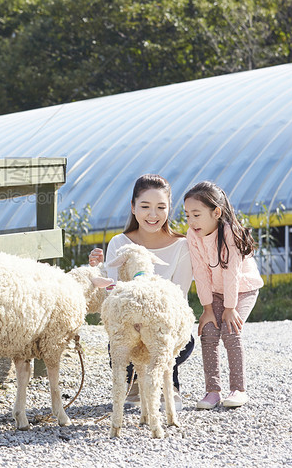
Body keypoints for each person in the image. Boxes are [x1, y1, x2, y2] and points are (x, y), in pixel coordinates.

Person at [89, 174, 194, 409]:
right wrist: (95, 269)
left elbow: (180, 297)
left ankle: (169, 384)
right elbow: (113, 294)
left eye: (160, 207)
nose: (153, 215)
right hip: (131, 324)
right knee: (123, 335)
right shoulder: (120, 243)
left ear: (169, 209)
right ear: (133, 207)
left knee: (178, 334)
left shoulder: (182, 245)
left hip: (163, 326)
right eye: (145, 206)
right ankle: (134, 382)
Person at [184, 180, 264, 410]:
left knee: (230, 330)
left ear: (216, 212)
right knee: (208, 331)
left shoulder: (230, 232)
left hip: (243, 288)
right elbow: (199, 272)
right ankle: (213, 391)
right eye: (187, 215)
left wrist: (229, 309)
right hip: (217, 292)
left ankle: (238, 389)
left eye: (196, 214)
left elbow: (232, 274)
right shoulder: (193, 235)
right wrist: (207, 309)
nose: (191, 221)